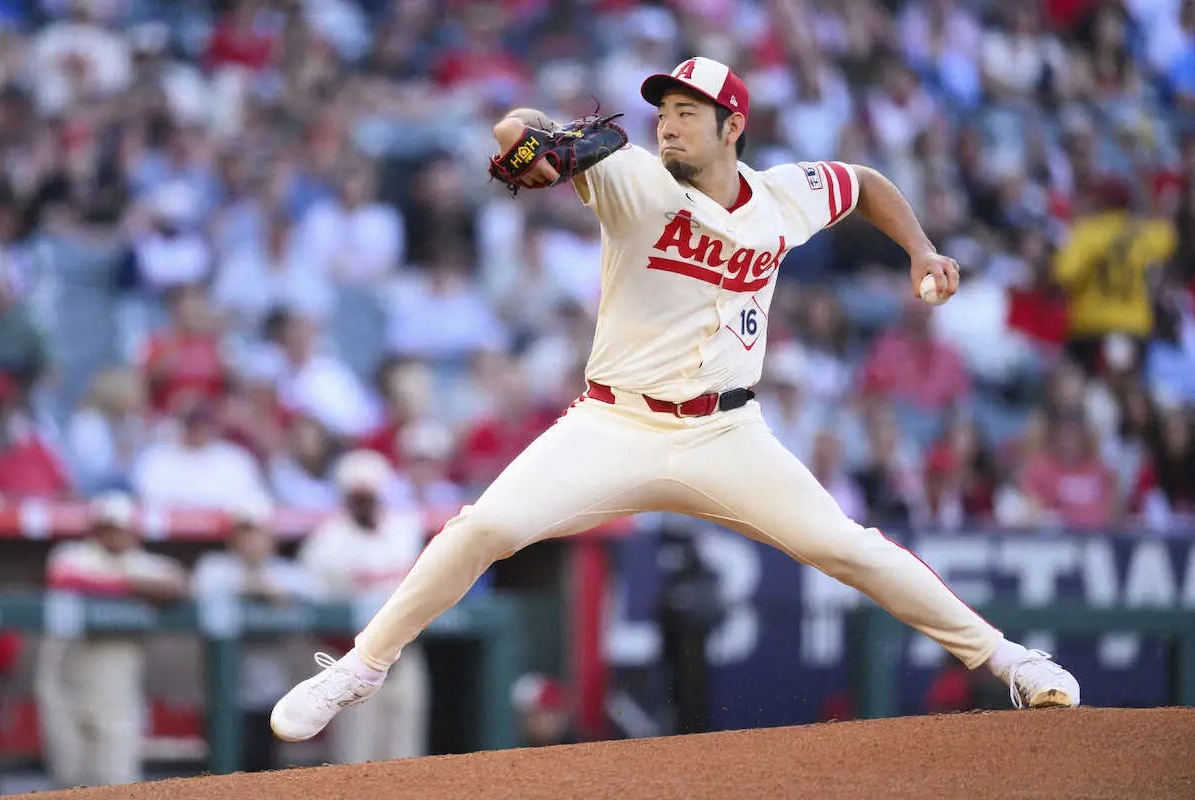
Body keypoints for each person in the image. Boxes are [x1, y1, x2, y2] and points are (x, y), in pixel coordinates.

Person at [271, 56, 1080, 744]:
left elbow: (863, 183)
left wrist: (921, 249)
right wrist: (529, 136)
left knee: (851, 547)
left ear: (733, 127)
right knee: (483, 528)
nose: (667, 125)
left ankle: (1007, 660)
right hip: (614, 422)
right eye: (663, 111)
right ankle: (359, 667)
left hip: (727, 434)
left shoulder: (785, 195)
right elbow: (517, 130)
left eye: (688, 113)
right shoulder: (629, 178)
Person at [35, 492, 187, 788]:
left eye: (121, 528)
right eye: (108, 528)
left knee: (117, 780)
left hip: (117, 694)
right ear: (96, 529)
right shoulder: (73, 555)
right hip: (64, 687)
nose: (115, 535)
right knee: (68, 779)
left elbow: (177, 585)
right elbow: (64, 579)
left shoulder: (144, 563)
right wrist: (131, 587)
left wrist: (123, 584)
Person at [294, 450, 430, 762]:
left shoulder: (405, 529)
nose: (364, 504)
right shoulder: (326, 543)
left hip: (404, 656)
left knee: (407, 755)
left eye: (370, 496)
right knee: (356, 758)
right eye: (358, 497)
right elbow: (313, 614)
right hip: (351, 663)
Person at [191, 495, 316, 772]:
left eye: (257, 533)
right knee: (221, 774)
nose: (251, 541)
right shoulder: (215, 568)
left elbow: (312, 594)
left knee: (264, 772)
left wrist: (276, 593)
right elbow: (201, 590)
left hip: (270, 693)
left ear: (271, 538)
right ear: (232, 538)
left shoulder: (288, 572)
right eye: (244, 533)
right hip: (223, 696)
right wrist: (255, 587)